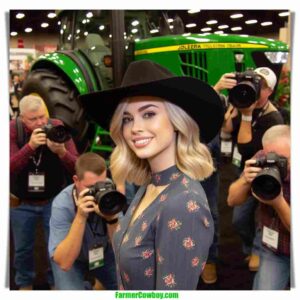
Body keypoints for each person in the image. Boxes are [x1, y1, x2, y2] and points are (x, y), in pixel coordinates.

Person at [80, 60, 224, 290]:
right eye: (127, 119)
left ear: (177, 121)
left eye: (148, 114)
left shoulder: (184, 204)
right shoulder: (151, 185)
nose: (135, 127)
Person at [10, 94, 78, 290]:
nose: (41, 122)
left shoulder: (57, 127)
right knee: (23, 249)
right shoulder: (13, 130)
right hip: (21, 202)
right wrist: (30, 146)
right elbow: (8, 167)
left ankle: (56, 284)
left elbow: (77, 166)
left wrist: (61, 152)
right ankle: (24, 285)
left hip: (54, 200)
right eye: (34, 119)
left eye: (42, 116)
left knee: (56, 247)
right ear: (22, 119)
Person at [220, 68, 284, 271]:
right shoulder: (246, 100)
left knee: (263, 212)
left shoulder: (272, 119)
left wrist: (246, 116)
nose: (256, 88)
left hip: (266, 171)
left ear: (270, 91)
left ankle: (257, 249)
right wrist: (233, 106)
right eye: (256, 82)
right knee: (239, 219)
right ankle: (249, 247)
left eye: (263, 86)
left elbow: (245, 147)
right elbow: (228, 129)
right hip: (246, 168)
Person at [227, 125, 290, 290]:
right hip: (274, 248)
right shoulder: (263, 157)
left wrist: (278, 203)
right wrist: (244, 181)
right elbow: (231, 201)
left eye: (282, 161)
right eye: (272, 157)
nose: (275, 165)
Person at [48, 152, 118, 290]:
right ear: (76, 180)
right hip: (71, 257)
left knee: (129, 285)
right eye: (90, 187)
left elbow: (121, 246)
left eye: (101, 184)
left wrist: (111, 218)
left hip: (102, 252)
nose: (97, 191)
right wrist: (80, 216)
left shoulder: (108, 190)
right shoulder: (62, 204)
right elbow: (64, 262)